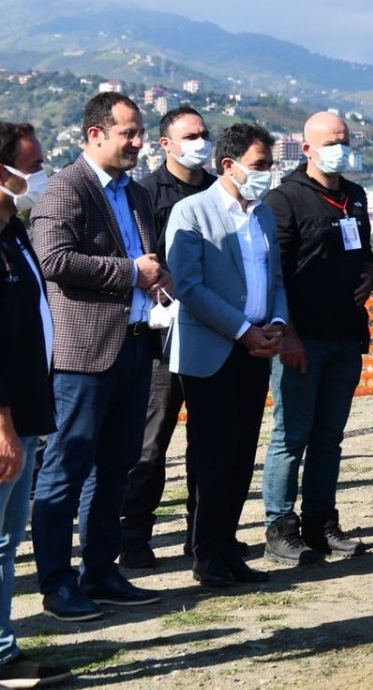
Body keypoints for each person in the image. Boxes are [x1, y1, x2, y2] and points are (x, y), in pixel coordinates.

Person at [31, 91, 168, 620]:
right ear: (96, 134)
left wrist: (157, 281)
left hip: (135, 346)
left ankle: (102, 572)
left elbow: (144, 259)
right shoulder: (67, 188)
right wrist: (132, 273)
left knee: (117, 467)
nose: (137, 142)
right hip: (83, 355)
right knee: (66, 469)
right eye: (128, 133)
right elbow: (54, 259)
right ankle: (56, 583)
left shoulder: (133, 194)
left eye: (139, 133)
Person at [163, 124, 288, 587]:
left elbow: (274, 279)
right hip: (213, 350)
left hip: (256, 350)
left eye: (269, 165)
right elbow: (189, 285)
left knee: (240, 456)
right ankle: (206, 552)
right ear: (228, 166)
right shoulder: (191, 212)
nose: (266, 175)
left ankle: (228, 547)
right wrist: (242, 332)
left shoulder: (264, 216)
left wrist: (275, 324)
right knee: (213, 456)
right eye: (259, 166)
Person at [260, 111, 373, 565]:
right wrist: (287, 333)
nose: (340, 148)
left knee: (330, 437)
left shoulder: (356, 196)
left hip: (346, 336)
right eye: (331, 141)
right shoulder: (284, 200)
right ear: (306, 149)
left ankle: (322, 521)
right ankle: (280, 525)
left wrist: (367, 273)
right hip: (301, 339)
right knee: (291, 435)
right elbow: (274, 275)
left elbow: (362, 251)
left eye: (345, 140)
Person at [122, 105, 214, 569]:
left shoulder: (220, 192)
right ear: (166, 143)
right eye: (191, 135)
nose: (200, 141)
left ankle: (203, 536)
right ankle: (135, 535)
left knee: (209, 439)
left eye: (204, 133)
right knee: (151, 441)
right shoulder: (145, 194)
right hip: (159, 338)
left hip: (211, 334)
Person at [0, 123, 73, 686]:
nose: (41, 175)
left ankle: (4, 651)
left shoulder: (14, 232)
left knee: (7, 541)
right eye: (33, 165)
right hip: (5, 420)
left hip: (27, 412)